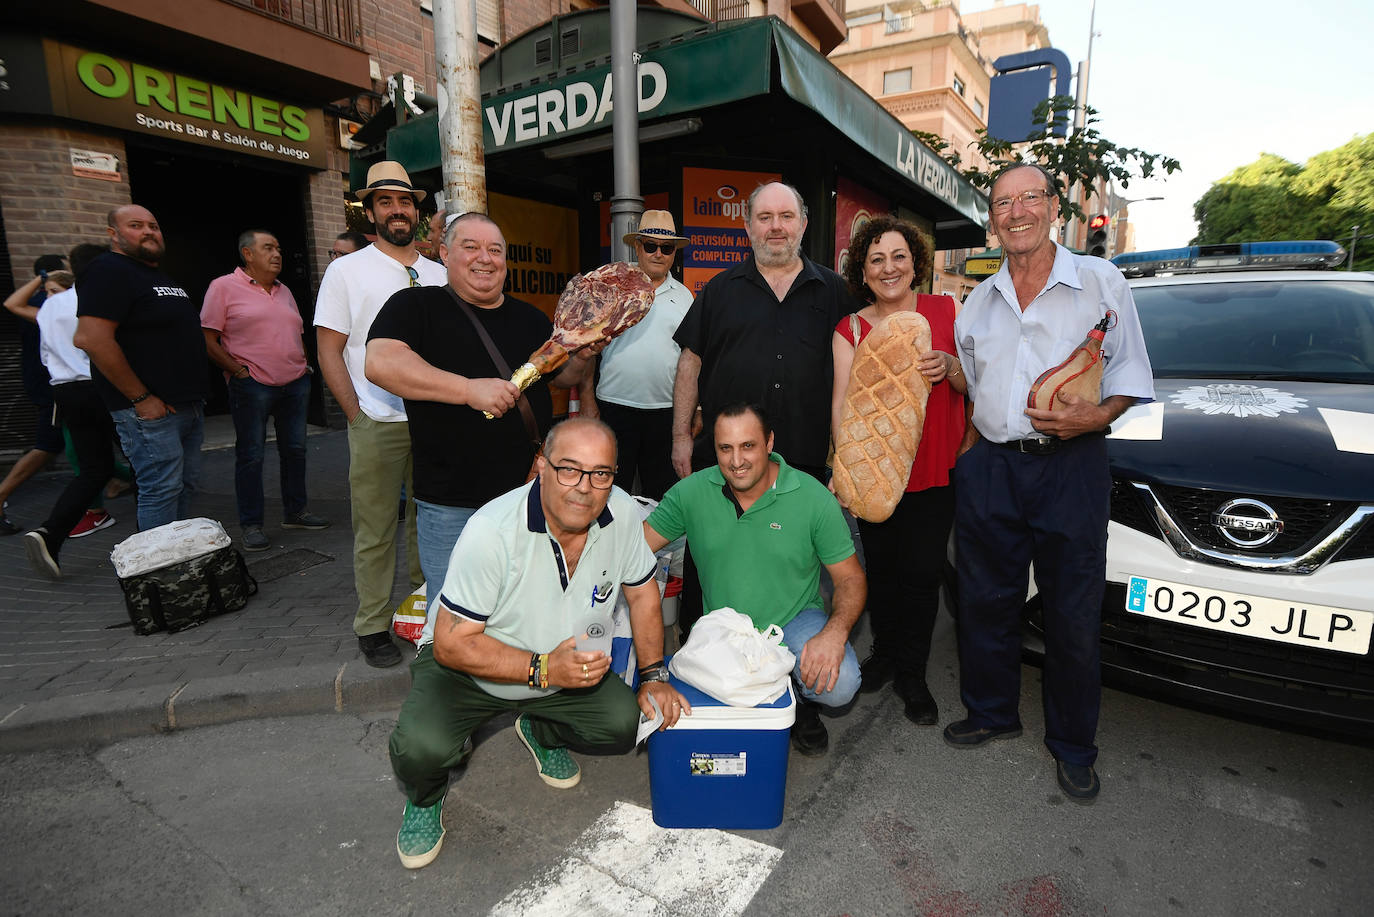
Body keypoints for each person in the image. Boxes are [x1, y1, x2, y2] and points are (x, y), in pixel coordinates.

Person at [386, 418, 689, 870]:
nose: (584, 487)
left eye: (601, 473)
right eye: (569, 468)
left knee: (622, 723)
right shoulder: (491, 530)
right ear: (541, 466)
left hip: (564, 663)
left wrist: (653, 675)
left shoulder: (622, 513)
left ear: (614, 476)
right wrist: (544, 669)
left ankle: (540, 729)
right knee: (420, 747)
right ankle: (425, 799)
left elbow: (643, 590)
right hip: (467, 668)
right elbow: (452, 643)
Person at [947, 163, 1154, 803]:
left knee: (1070, 612)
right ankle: (991, 711)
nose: (1015, 213)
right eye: (1002, 203)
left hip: (1072, 466)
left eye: (1028, 199)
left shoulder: (1101, 283)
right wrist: (970, 461)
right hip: (993, 465)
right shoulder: (976, 303)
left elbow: (1128, 376)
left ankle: (1072, 746)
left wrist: (1096, 416)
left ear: (1053, 206)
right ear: (991, 218)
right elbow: (978, 388)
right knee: (983, 599)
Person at [365, 212, 597, 616]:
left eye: (495, 250)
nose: (484, 258)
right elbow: (381, 363)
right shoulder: (416, 305)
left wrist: (585, 353)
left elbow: (562, 377)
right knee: (454, 613)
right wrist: (468, 390)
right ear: (444, 254)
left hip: (527, 498)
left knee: (524, 606)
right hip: (452, 505)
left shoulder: (530, 317)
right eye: (470, 246)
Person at [644, 403, 866, 757]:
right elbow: (637, 549)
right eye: (725, 448)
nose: (736, 460)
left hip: (793, 619)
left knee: (840, 685)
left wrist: (834, 634)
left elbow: (851, 578)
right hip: (724, 625)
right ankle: (770, 696)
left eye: (748, 445)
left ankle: (799, 701)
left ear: (769, 443)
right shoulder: (692, 493)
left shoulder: (812, 497)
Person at [831, 216, 967, 727]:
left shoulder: (945, 312)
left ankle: (913, 673)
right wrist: (845, 466)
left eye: (898, 257)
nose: (889, 268)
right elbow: (842, 403)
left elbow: (972, 382)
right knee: (880, 572)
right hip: (876, 471)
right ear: (863, 272)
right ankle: (885, 654)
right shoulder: (851, 328)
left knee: (921, 575)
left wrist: (950, 365)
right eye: (876, 260)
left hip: (932, 466)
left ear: (915, 264)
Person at [315, 161, 447, 668]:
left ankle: (421, 613)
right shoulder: (346, 271)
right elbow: (329, 350)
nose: (398, 210)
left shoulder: (438, 273)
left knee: (428, 522)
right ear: (369, 210)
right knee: (375, 529)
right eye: (386, 201)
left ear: (417, 210)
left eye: (406, 201)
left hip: (433, 421)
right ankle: (371, 624)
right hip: (375, 419)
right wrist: (355, 413)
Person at [671, 181, 858, 484]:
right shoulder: (719, 290)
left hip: (802, 466)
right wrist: (680, 436)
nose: (776, 227)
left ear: (803, 224)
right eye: (764, 217)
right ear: (747, 226)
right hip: (724, 464)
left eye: (786, 216)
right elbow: (689, 363)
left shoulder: (836, 292)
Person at [75, 205, 208, 531]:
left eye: (153, 225)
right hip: (150, 411)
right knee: (160, 490)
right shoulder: (108, 269)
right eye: (136, 225)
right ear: (113, 234)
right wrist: (141, 398)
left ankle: (176, 560)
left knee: (182, 486)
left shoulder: (154, 274)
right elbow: (91, 339)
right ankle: (158, 574)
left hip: (186, 404)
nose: (149, 231)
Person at [202, 229, 329, 552]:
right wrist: (239, 372)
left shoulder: (284, 290)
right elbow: (208, 340)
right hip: (252, 386)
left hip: (295, 382)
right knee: (251, 455)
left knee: (296, 451)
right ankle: (252, 524)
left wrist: (306, 365)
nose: (277, 254)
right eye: (268, 248)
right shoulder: (223, 287)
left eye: (279, 248)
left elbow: (296, 331)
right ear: (247, 254)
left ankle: (296, 512)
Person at [23, 248, 125, 576]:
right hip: (100, 385)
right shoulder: (95, 296)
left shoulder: (49, 305)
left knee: (93, 470)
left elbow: (45, 354)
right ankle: (160, 536)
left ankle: (51, 533)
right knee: (145, 460)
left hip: (65, 391)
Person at [581, 210, 694, 500]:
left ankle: (654, 548)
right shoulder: (612, 289)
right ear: (637, 246)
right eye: (651, 245)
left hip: (666, 413)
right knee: (606, 494)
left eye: (666, 247)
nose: (659, 253)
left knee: (661, 500)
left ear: (674, 253)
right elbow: (588, 349)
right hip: (614, 408)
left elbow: (692, 360)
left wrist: (696, 411)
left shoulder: (685, 297)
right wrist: (588, 400)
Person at [0, 254, 69, 535]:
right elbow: (11, 304)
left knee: (80, 442)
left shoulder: (52, 304)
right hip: (51, 385)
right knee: (48, 445)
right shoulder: (46, 306)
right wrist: (44, 279)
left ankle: (118, 480)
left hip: (53, 384)